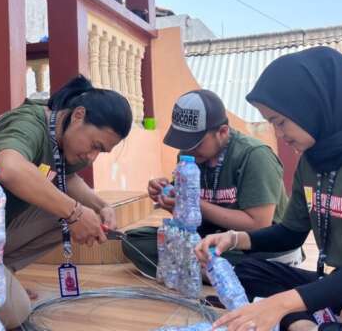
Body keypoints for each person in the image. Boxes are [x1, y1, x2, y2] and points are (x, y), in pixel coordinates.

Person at [195, 46, 342, 331]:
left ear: (312, 105)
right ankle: (310, 320)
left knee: (283, 306)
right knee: (247, 271)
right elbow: (291, 234)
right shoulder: (313, 159)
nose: (279, 135)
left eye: (281, 122)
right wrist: (234, 239)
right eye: (273, 124)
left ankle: (305, 322)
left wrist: (281, 305)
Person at [0, 75, 133, 328]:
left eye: (100, 151)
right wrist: (75, 213)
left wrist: (99, 206)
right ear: (78, 115)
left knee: (61, 205)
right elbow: (9, 168)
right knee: (17, 314)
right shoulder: (28, 124)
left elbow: (66, 178)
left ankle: (0, 274)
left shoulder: (66, 137)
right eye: (95, 145)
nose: (92, 157)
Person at [122, 89, 294, 278]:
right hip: (211, 239)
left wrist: (194, 203)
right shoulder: (190, 157)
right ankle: (213, 272)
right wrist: (169, 198)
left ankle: (209, 271)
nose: (189, 149)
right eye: (183, 141)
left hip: (256, 247)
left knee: (189, 254)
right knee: (134, 240)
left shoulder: (254, 155)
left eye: (196, 142)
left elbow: (258, 225)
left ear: (222, 132)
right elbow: (190, 218)